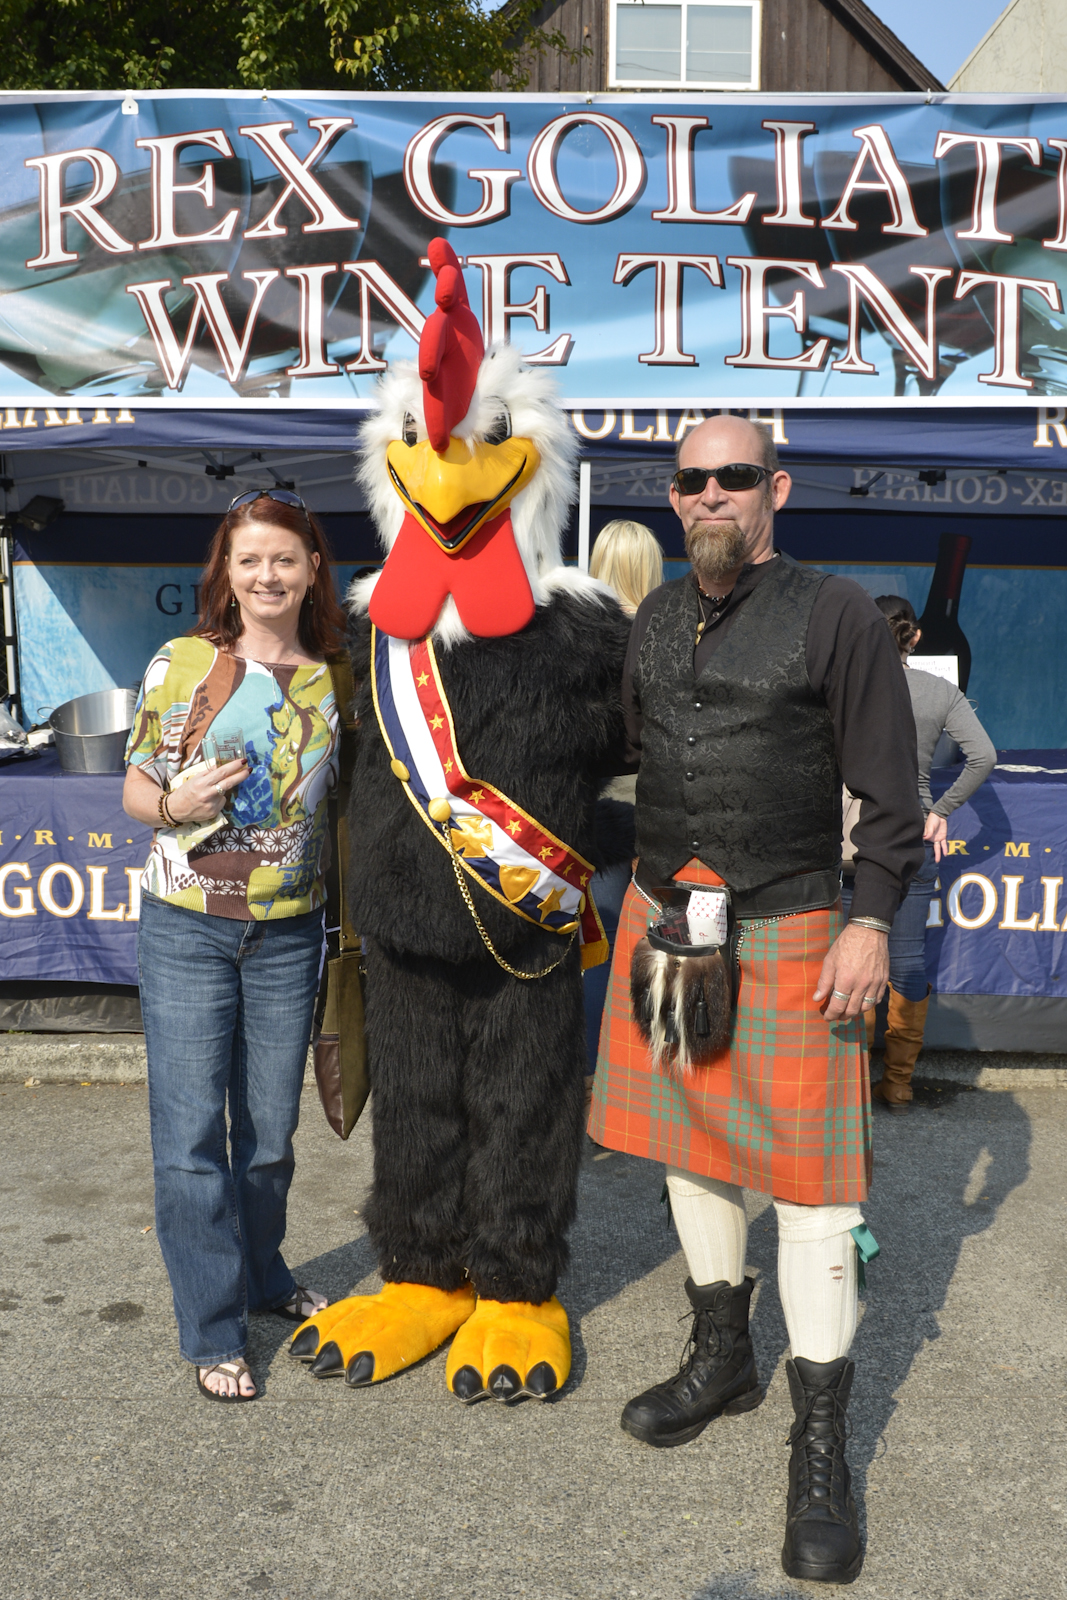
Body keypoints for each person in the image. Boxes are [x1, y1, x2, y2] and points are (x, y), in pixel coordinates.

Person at [588, 415, 924, 1585]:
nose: (711, 497)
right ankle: (720, 1355)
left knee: (814, 1190)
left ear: (772, 489)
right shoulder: (651, 619)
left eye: (734, 478)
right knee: (692, 1155)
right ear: (671, 498)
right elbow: (634, 762)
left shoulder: (835, 615)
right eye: (691, 482)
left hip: (795, 931)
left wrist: (868, 918)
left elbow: (888, 787)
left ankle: (818, 1445)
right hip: (666, 924)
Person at [123, 489, 347, 1403]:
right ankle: (213, 1328)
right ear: (227, 571)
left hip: (290, 936)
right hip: (186, 928)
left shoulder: (339, 675)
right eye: (249, 560)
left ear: (311, 571)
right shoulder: (182, 664)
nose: (266, 576)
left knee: (269, 1140)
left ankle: (261, 1275)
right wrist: (180, 804)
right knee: (187, 1143)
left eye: (284, 560)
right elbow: (138, 794)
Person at [847, 595, 995, 1110]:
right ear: (915, 638)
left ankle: (851, 1086)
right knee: (906, 959)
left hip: (853, 836)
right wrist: (943, 808)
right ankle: (900, 1082)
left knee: (850, 954)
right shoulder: (940, 691)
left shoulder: (848, 688)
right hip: (913, 831)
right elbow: (984, 756)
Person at [583, 519, 666, 1088]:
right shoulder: (674, 634)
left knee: (596, 948)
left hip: (601, 814)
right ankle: (652, 1081)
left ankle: (592, 1080)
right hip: (665, 812)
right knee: (666, 949)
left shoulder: (579, 638)